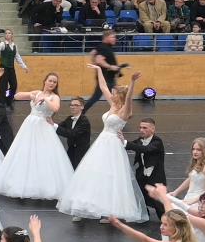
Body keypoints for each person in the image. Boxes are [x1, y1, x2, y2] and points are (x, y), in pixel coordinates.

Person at [59, 74, 149, 224]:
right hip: (101, 143)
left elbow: (129, 98)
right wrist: (99, 70)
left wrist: (132, 82)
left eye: (114, 94)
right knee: (91, 174)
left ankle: (110, 212)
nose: (112, 95)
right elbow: (102, 87)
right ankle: (82, 207)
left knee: (110, 177)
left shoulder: (125, 111)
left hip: (113, 145)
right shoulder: (112, 105)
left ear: (120, 96)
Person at [0, 73, 74, 201]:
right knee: (25, 153)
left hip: (43, 127)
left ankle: (43, 185)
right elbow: (15, 95)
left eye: (54, 82)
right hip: (29, 126)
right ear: (45, 81)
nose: (52, 83)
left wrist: (45, 99)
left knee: (43, 155)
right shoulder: (37, 92)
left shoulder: (54, 97)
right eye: (50, 80)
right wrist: (31, 95)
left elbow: (56, 108)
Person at [126, 118, 167, 223]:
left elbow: (146, 149)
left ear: (153, 129)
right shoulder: (140, 140)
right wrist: (119, 141)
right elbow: (131, 145)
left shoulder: (157, 142)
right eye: (140, 127)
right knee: (140, 196)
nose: (141, 130)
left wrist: (126, 143)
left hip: (155, 177)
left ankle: (165, 220)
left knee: (158, 202)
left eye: (145, 128)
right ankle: (145, 214)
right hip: (142, 175)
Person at [56, 97, 92, 167]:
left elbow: (72, 134)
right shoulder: (69, 118)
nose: (72, 107)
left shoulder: (84, 121)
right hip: (71, 150)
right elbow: (59, 127)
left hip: (81, 153)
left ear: (82, 107)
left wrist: (54, 126)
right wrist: (51, 126)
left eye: (76, 105)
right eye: (71, 105)